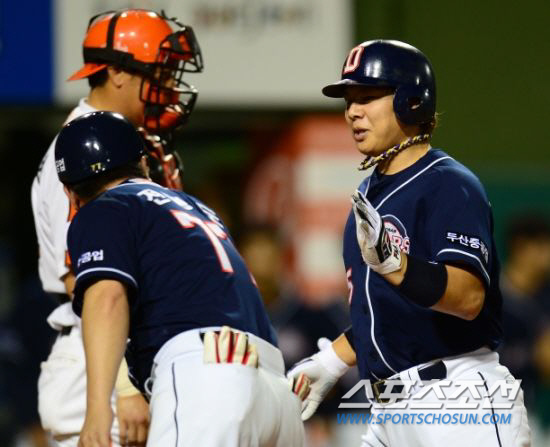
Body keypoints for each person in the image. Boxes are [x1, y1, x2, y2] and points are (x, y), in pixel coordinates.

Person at [287, 40, 531, 446]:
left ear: (411, 101)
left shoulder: (447, 183)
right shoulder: (370, 194)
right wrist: (331, 361)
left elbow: (469, 297)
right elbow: (387, 316)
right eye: (349, 100)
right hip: (388, 409)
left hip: (457, 397)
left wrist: (395, 264)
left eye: (367, 97)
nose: (352, 111)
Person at [53, 110, 305, 447]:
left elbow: (107, 298)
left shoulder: (105, 207)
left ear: (70, 192)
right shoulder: (196, 208)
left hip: (209, 375)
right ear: (143, 164)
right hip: (275, 390)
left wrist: (98, 411)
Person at [30, 9, 203, 446]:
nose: (169, 85)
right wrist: (124, 385)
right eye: (159, 72)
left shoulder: (129, 143)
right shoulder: (80, 148)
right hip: (100, 361)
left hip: (134, 348)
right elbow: (87, 280)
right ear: (118, 73)